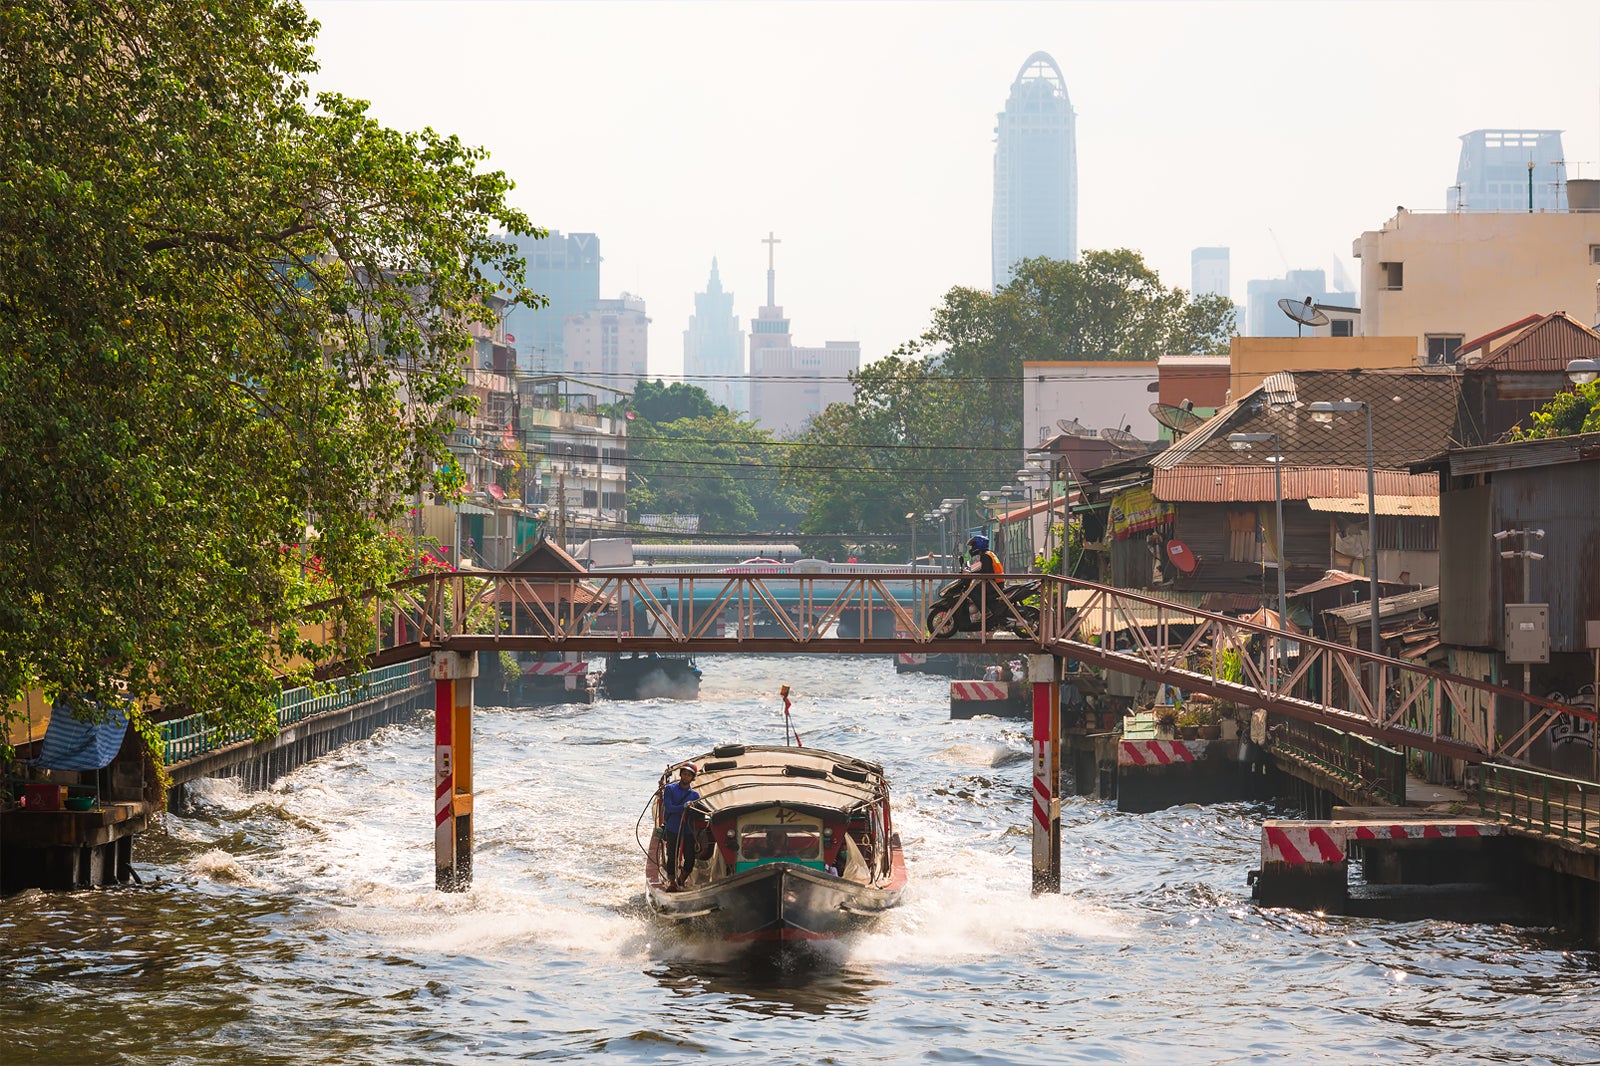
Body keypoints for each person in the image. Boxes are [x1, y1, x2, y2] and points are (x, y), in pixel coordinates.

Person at [660, 764, 701, 889]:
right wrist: (682, 807)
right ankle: (672, 882)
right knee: (672, 856)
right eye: (684, 774)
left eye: (689, 775)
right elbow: (669, 807)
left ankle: (682, 878)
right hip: (673, 827)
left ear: (692, 778)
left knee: (690, 858)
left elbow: (697, 814)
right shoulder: (670, 789)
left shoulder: (695, 796)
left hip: (688, 830)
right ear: (681, 774)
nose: (686, 776)